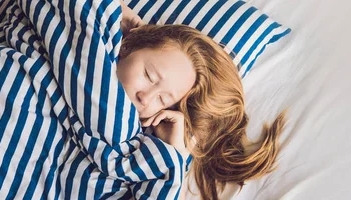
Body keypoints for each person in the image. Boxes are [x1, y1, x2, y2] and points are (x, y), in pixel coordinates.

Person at [118, 2, 287, 200]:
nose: (145, 97)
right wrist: (116, 9)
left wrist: (173, 155)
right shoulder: (93, 46)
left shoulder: (136, 149)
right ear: (129, 44)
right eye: (149, 76)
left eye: (161, 99)